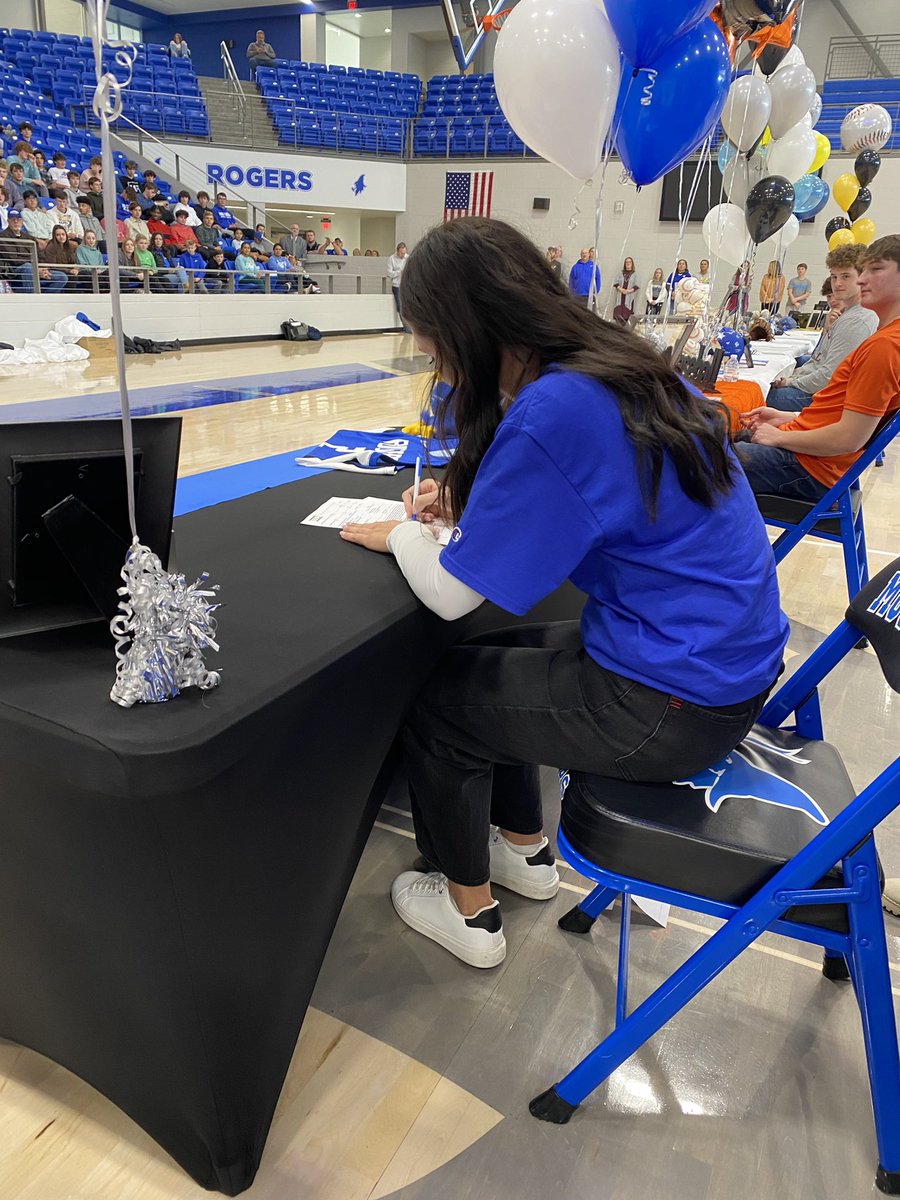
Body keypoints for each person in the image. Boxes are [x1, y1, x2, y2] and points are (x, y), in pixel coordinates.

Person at [337, 217, 788, 968]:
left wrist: (404, 537)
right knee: (493, 671)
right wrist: (476, 503)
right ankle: (526, 852)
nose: (424, 355)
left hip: (673, 702)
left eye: (426, 335)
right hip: (717, 666)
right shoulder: (617, 364)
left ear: (465, 327)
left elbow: (450, 595)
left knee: (441, 704)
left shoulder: (553, 409)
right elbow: (602, 490)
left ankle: (467, 913)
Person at [735, 234, 900, 504]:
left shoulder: (886, 346)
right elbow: (842, 415)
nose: (862, 279)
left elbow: (849, 437)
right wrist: (786, 418)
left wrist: (778, 437)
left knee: (691, 461)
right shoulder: (884, 337)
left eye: (876, 269)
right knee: (714, 442)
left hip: (810, 468)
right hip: (811, 457)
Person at [767, 245, 879, 412]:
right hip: (820, 389)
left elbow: (829, 377)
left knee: (761, 395)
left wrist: (791, 382)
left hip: (825, 398)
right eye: (834, 277)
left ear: (862, 277)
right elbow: (820, 359)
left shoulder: (856, 320)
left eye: (846, 276)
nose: (837, 283)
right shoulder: (848, 315)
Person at [0, 210, 66, 292]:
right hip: (15, 270)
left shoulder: (29, 237)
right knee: (27, 267)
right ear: (8, 221)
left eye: (18, 219)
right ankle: (32, 298)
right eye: (13, 219)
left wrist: (42, 268)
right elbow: (14, 259)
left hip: (34, 268)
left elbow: (40, 255)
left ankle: (44, 301)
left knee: (62, 277)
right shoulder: (3, 237)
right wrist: (35, 268)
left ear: (22, 222)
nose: (16, 222)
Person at [40, 223, 80, 290]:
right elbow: (52, 266)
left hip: (67, 270)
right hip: (55, 270)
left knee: (86, 274)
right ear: (54, 236)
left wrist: (75, 268)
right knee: (72, 277)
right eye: (58, 235)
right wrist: (69, 271)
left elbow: (72, 262)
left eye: (63, 234)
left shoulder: (69, 246)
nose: (61, 237)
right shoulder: (51, 247)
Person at [388, 241, 408, 329]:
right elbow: (389, 273)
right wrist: (399, 272)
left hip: (406, 285)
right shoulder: (391, 259)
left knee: (409, 306)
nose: (403, 255)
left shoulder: (408, 258)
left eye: (404, 253)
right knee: (400, 305)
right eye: (401, 253)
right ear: (397, 251)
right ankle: (406, 327)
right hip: (397, 285)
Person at [612, 256, 639, 322]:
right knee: (618, 315)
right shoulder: (620, 273)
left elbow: (636, 286)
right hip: (620, 296)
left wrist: (628, 291)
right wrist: (621, 289)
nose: (628, 263)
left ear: (632, 264)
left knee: (627, 316)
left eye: (630, 262)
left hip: (629, 297)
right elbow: (616, 283)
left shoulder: (635, 274)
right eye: (626, 262)